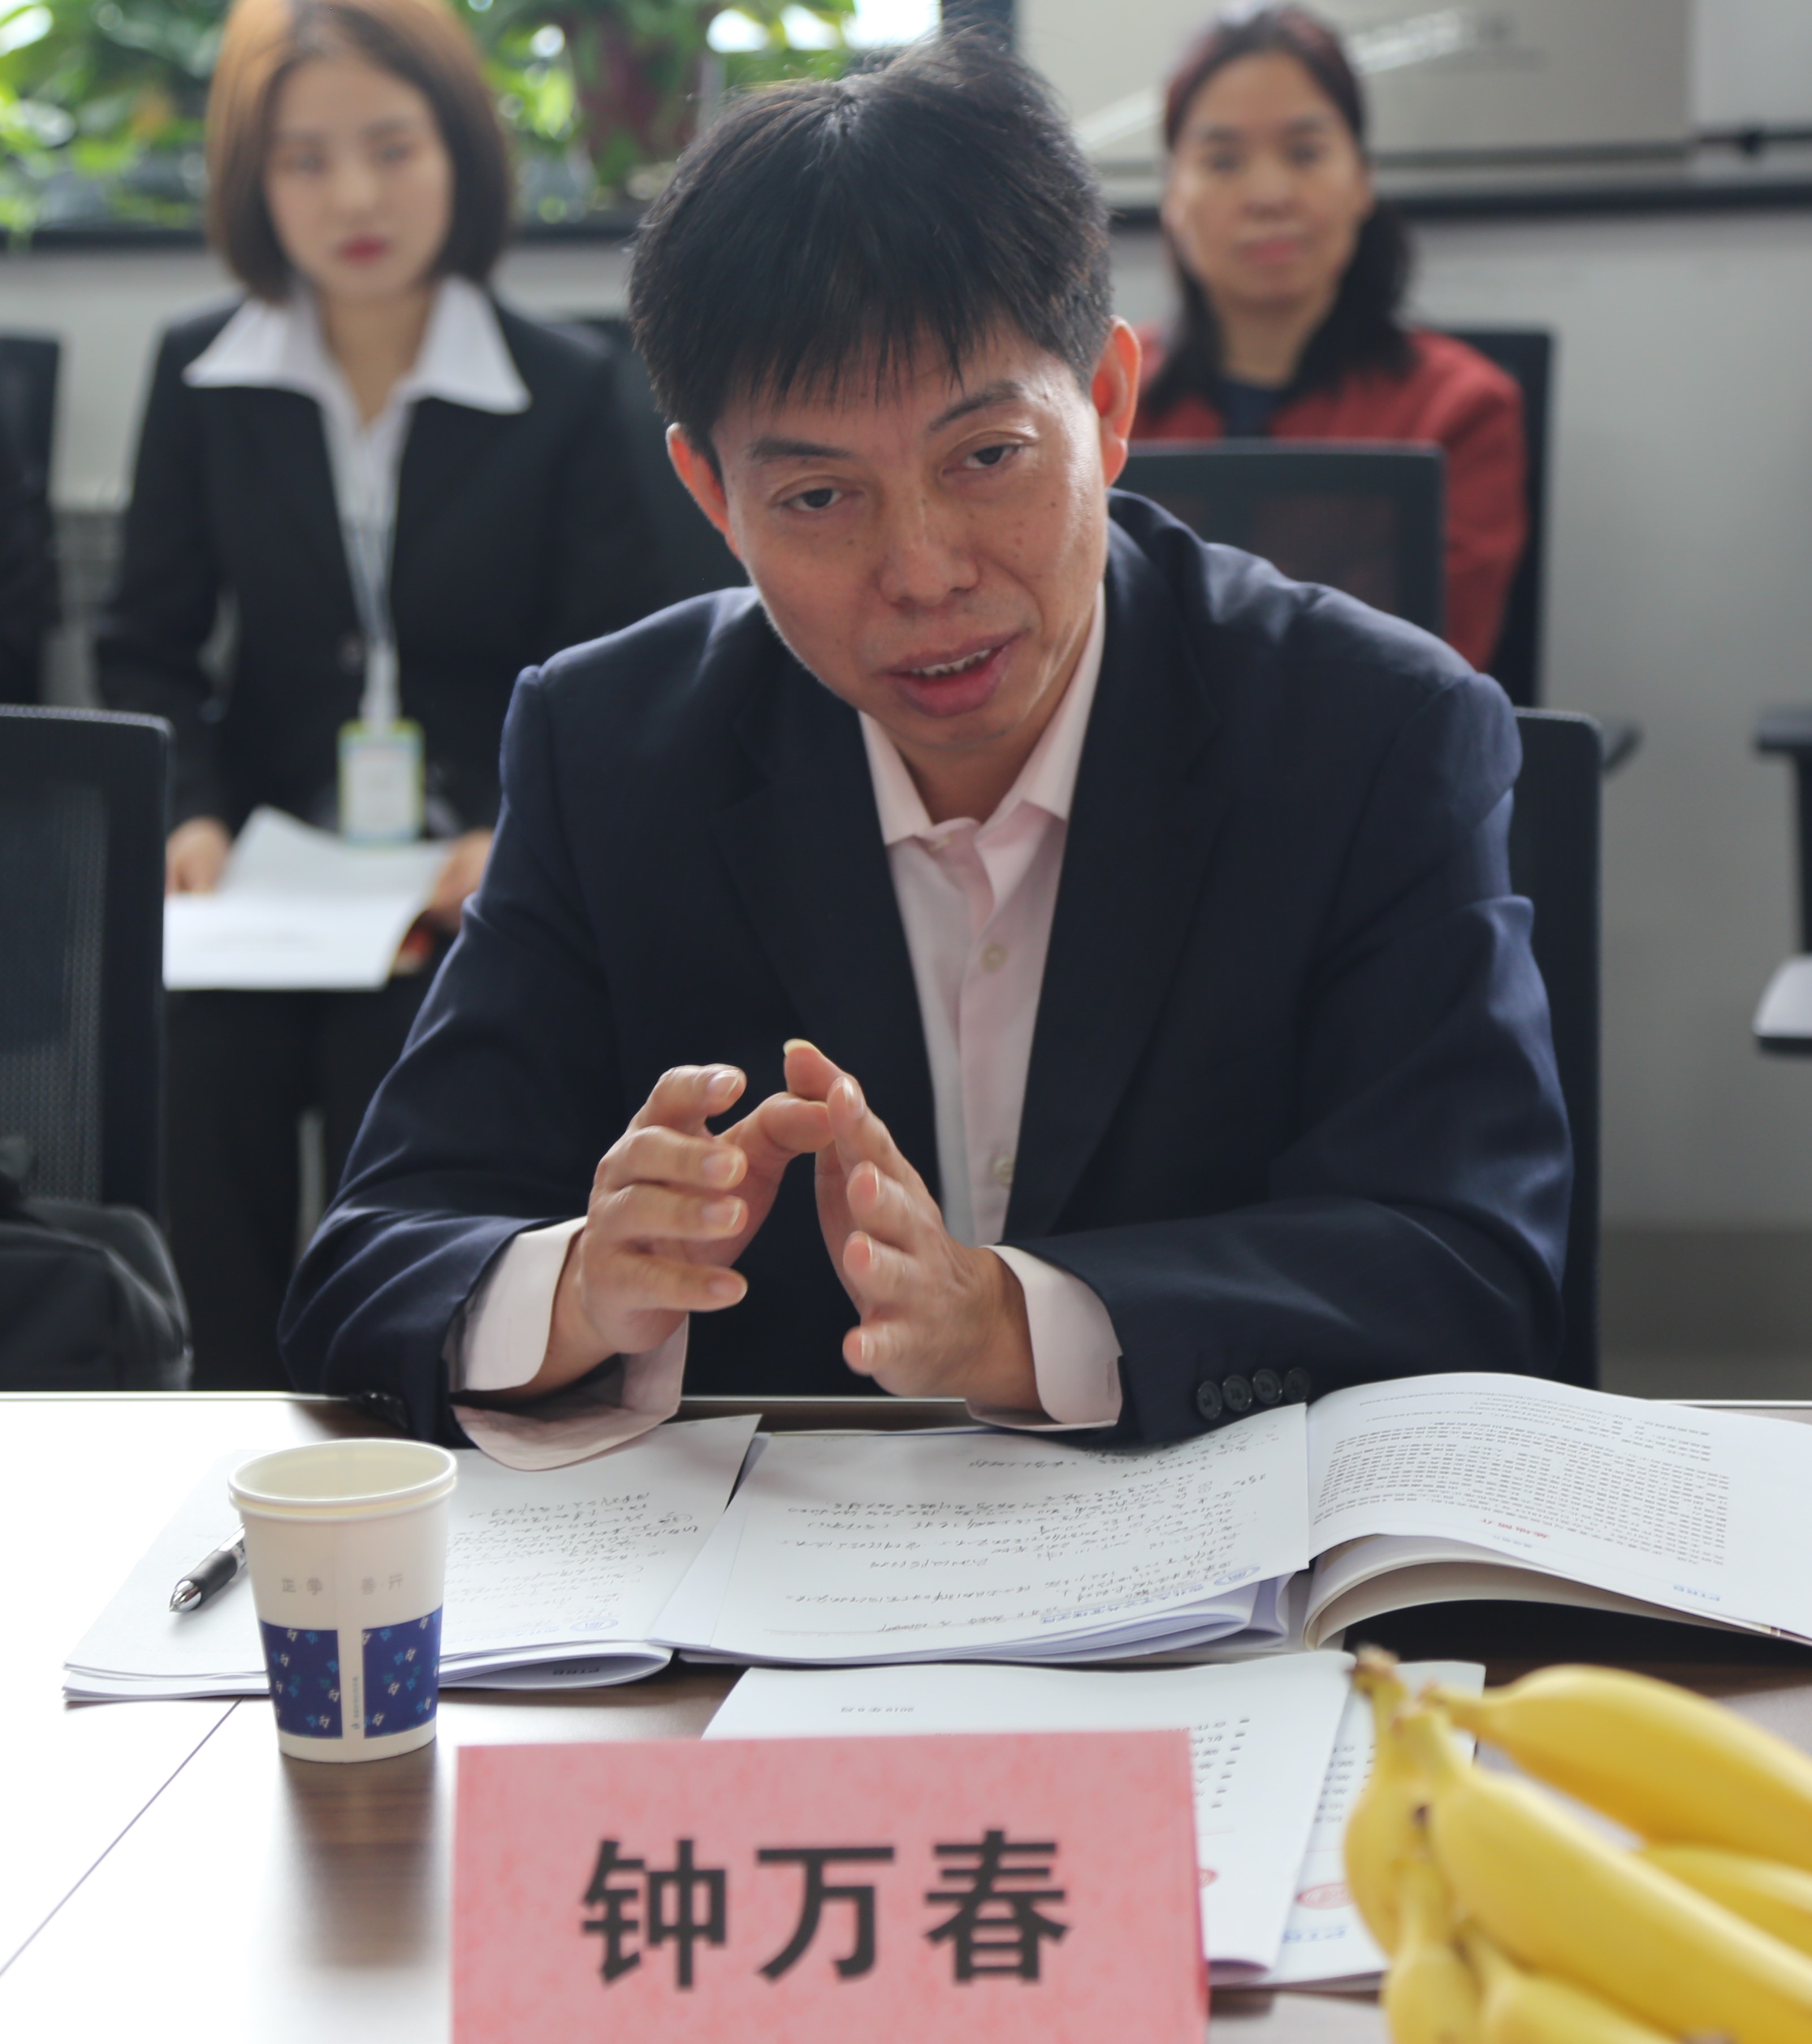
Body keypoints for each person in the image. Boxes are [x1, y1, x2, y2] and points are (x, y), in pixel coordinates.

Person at [281, 34, 1571, 1466]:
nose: (923, 571)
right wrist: (581, 1285)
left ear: (1108, 404)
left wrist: (1017, 1321)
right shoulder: (613, 752)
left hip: (1225, 1569)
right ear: (712, 494)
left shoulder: (1370, 732)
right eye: (819, 496)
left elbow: (1469, 1267)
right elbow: (369, 1268)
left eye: (987, 457)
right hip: (766, 1584)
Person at [97, 0, 658, 1390]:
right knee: (193, 1064)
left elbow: (617, 663)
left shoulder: (568, 388)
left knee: (404, 1058)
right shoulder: (201, 372)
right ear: (253, 181)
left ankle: (393, 1415)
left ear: (459, 151)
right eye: (305, 160)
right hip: (267, 870)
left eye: (392, 148)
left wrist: (517, 836)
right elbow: (148, 642)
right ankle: (225, 1425)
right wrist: (192, 815)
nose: (353, 196)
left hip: (469, 877)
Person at [1134, 5, 1525, 673]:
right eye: (1222, 160)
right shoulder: (1097, 398)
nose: (1268, 195)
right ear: (1173, 196)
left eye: (1305, 153)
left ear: (1361, 182)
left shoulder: (1461, 409)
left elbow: (1431, 679)